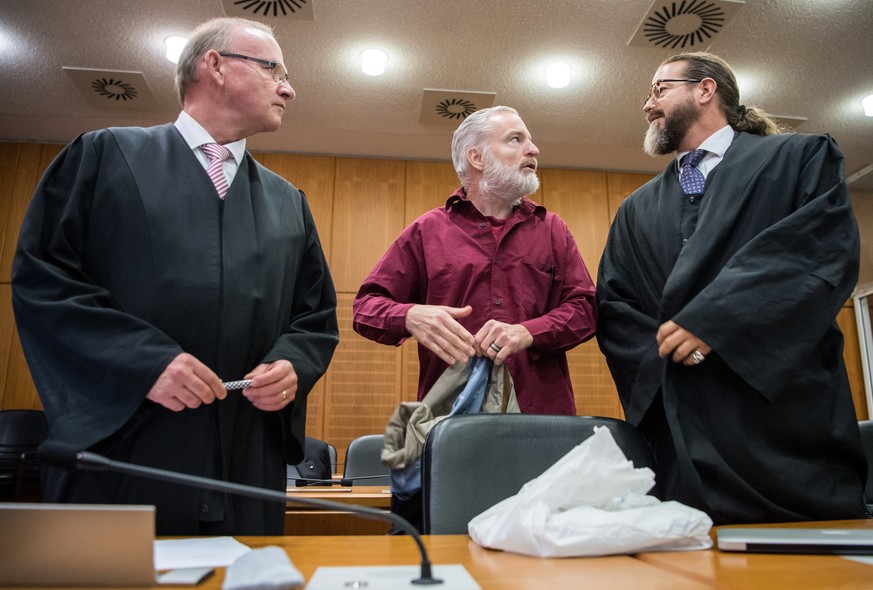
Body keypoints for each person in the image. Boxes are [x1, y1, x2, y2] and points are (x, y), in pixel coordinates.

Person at [11, 17, 339, 535]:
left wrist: (291, 365)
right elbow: (46, 280)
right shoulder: (104, 156)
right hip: (126, 448)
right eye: (272, 67)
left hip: (243, 457)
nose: (289, 87)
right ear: (215, 66)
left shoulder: (288, 203)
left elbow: (314, 315)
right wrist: (143, 363)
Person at [597, 51, 869, 525]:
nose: (648, 104)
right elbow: (616, 306)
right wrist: (673, 360)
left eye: (659, 89)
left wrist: (715, 323)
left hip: (782, 422)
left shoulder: (798, 158)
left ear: (706, 89)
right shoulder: (635, 210)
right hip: (681, 431)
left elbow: (812, 253)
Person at [353, 105, 597, 417]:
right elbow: (365, 308)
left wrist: (529, 332)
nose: (533, 149)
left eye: (530, 140)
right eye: (515, 139)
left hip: (541, 416)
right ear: (477, 158)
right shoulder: (427, 231)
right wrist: (410, 316)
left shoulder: (552, 229)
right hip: (453, 416)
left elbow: (585, 309)